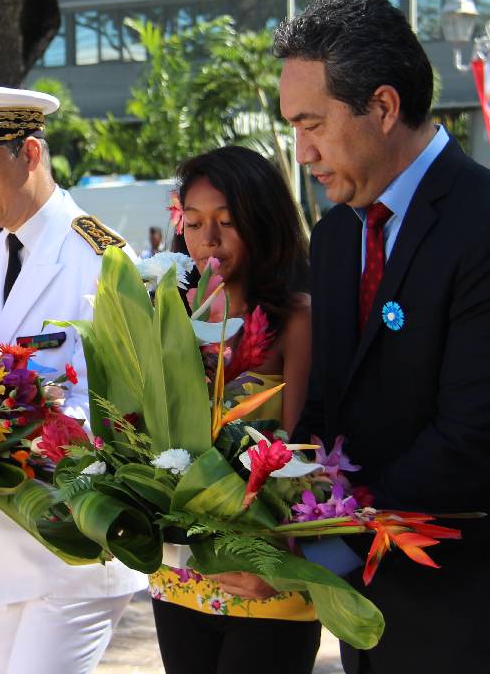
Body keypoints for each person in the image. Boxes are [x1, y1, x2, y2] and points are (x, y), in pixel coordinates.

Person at [216, 0, 490, 673]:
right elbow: (331, 407)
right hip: (377, 616)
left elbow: (470, 444)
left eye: (312, 125)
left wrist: (312, 550)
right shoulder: (333, 237)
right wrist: (263, 506)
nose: (300, 152)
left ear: (384, 108)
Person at [0, 82, 148, 674]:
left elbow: (135, 408)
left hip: (78, 536)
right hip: (4, 544)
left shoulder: (104, 258)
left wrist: (28, 418)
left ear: (29, 154)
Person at [147, 146, 318, 674]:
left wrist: (284, 559)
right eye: (194, 223)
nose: (208, 240)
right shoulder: (165, 313)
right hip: (179, 573)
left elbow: (306, 450)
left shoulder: (297, 318)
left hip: (266, 571)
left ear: (263, 223)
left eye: (227, 222)